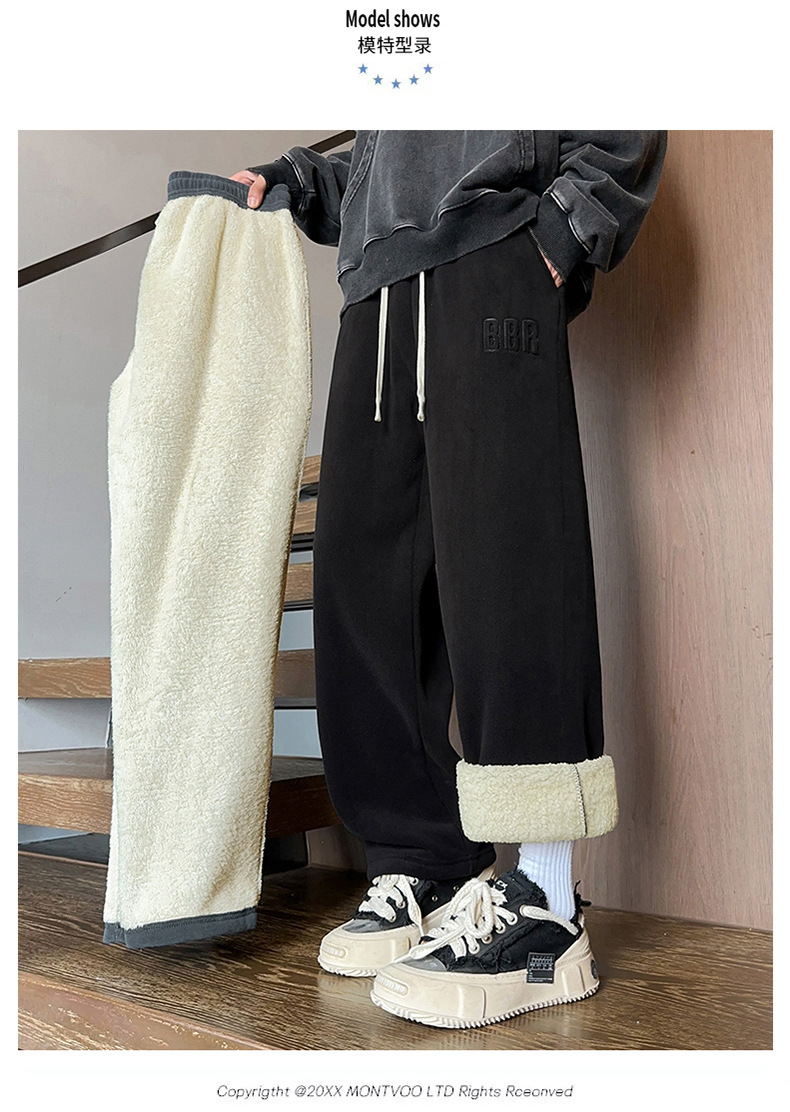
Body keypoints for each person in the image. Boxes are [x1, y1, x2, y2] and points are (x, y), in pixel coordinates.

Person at [230, 131, 667, 1029]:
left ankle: (547, 906)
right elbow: (393, 162)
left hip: (492, 253)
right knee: (365, 591)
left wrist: (563, 228)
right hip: (375, 295)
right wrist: (303, 180)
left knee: (513, 569)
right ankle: (424, 862)